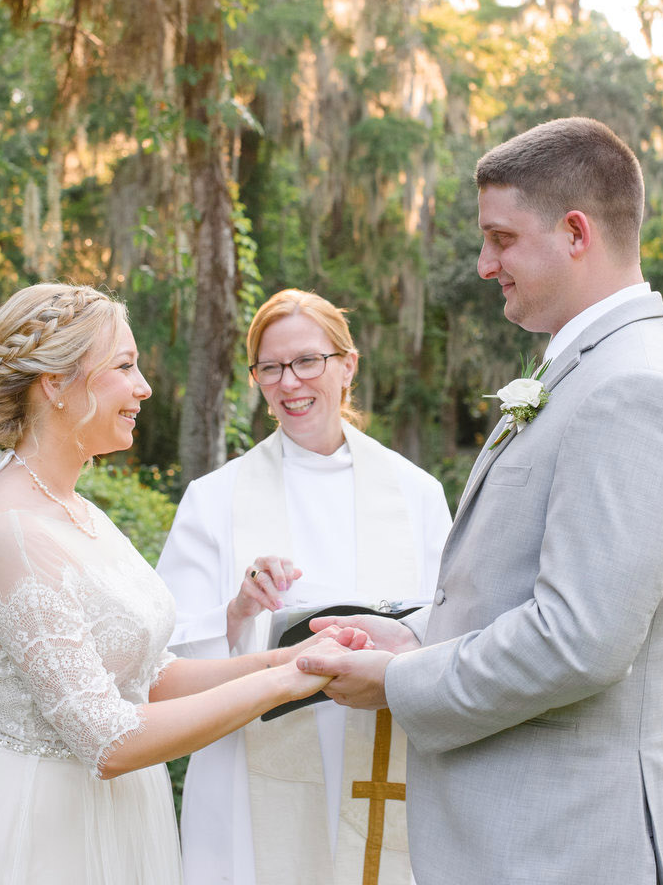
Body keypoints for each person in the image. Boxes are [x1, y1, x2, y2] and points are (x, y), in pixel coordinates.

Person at [299, 118, 663, 885]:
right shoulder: (586, 373)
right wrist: (415, 638)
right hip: (516, 838)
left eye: (500, 238)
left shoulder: (636, 390)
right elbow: (522, 588)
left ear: (575, 232)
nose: (482, 263)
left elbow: (578, 640)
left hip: (563, 844)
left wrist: (400, 684)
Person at [0, 283, 354, 885]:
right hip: (45, 833)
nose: (143, 386)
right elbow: (108, 740)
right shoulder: (11, 532)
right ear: (56, 384)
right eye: (124, 366)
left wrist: (286, 655)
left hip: (121, 823)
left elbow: (150, 677)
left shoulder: (79, 512)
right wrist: (286, 682)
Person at [156, 289, 451, 885]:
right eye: (271, 367)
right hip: (249, 769)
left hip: (380, 754)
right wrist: (236, 611)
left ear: (347, 365)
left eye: (307, 361)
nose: (290, 382)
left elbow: (448, 628)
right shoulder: (214, 500)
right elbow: (165, 658)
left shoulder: (416, 494)